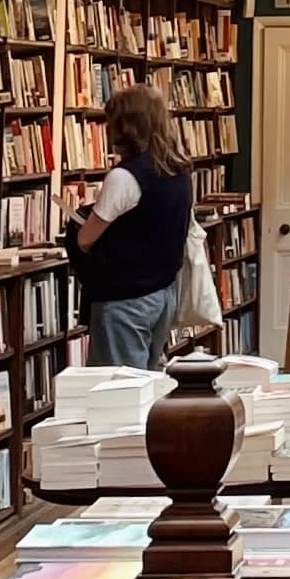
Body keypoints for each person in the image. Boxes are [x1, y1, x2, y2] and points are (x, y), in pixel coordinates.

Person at [65, 80, 196, 366]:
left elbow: (86, 239)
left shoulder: (125, 177)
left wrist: (79, 222)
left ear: (126, 126)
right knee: (148, 385)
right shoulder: (180, 169)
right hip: (163, 293)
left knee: (119, 392)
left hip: (124, 299)